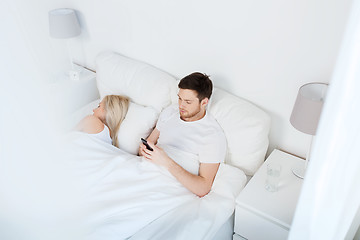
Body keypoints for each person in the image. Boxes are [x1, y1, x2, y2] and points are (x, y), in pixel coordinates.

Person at [139, 72, 226, 197]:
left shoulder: (212, 136)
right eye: (179, 98)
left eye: (188, 102)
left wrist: (166, 161)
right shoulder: (170, 112)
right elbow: (147, 145)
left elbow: (203, 188)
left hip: (166, 188)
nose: (181, 105)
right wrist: (144, 150)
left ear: (204, 102)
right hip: (142, 171)